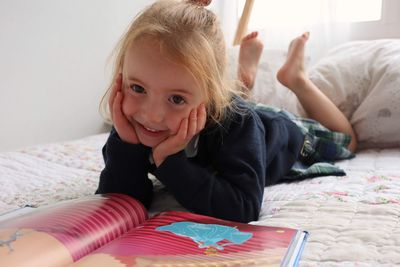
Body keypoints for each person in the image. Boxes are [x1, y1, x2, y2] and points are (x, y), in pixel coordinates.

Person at [96, 0, 357, 223]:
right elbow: (122, 199)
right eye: (138, 88)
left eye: (176, 98)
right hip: (234, 109)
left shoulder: (240, 125)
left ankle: (297, 78)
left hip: (283, 133)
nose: (152, 116)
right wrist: (128, 145)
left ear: (210, 96)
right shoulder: (134, 124)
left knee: (349, 140)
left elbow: (243, 207)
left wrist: (168, 159)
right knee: (236, 104)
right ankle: (244, 78)